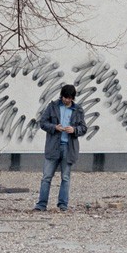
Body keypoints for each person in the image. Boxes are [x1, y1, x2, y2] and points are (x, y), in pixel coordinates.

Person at [34, 83, 87, 212]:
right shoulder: (52, 107)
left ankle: (63, 204)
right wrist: (54, 127)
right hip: (53, 146)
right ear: (61, 96)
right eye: (64, 97)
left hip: (69, 148)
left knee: (65, 177)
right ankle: (41, 205)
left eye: (69, 98)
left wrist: (74, 129)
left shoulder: (78, 110)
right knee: (46, 177)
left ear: (72, 98)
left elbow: (84, 128)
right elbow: (43, 123)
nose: (66, 100)